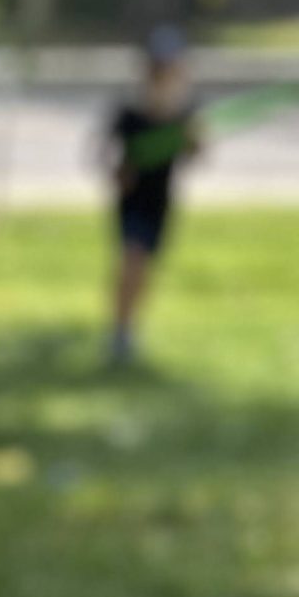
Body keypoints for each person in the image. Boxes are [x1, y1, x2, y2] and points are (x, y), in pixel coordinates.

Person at [103, 25, 203, 366]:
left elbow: (195, 154)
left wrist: (191, 140)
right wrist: (118, 172)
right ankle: (120, 332)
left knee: (144, 268)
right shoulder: (131, 112)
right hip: (132, 202)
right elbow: (105, 154)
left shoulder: (184, 113)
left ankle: (128, 328)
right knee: (132, 260)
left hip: (161, 202)